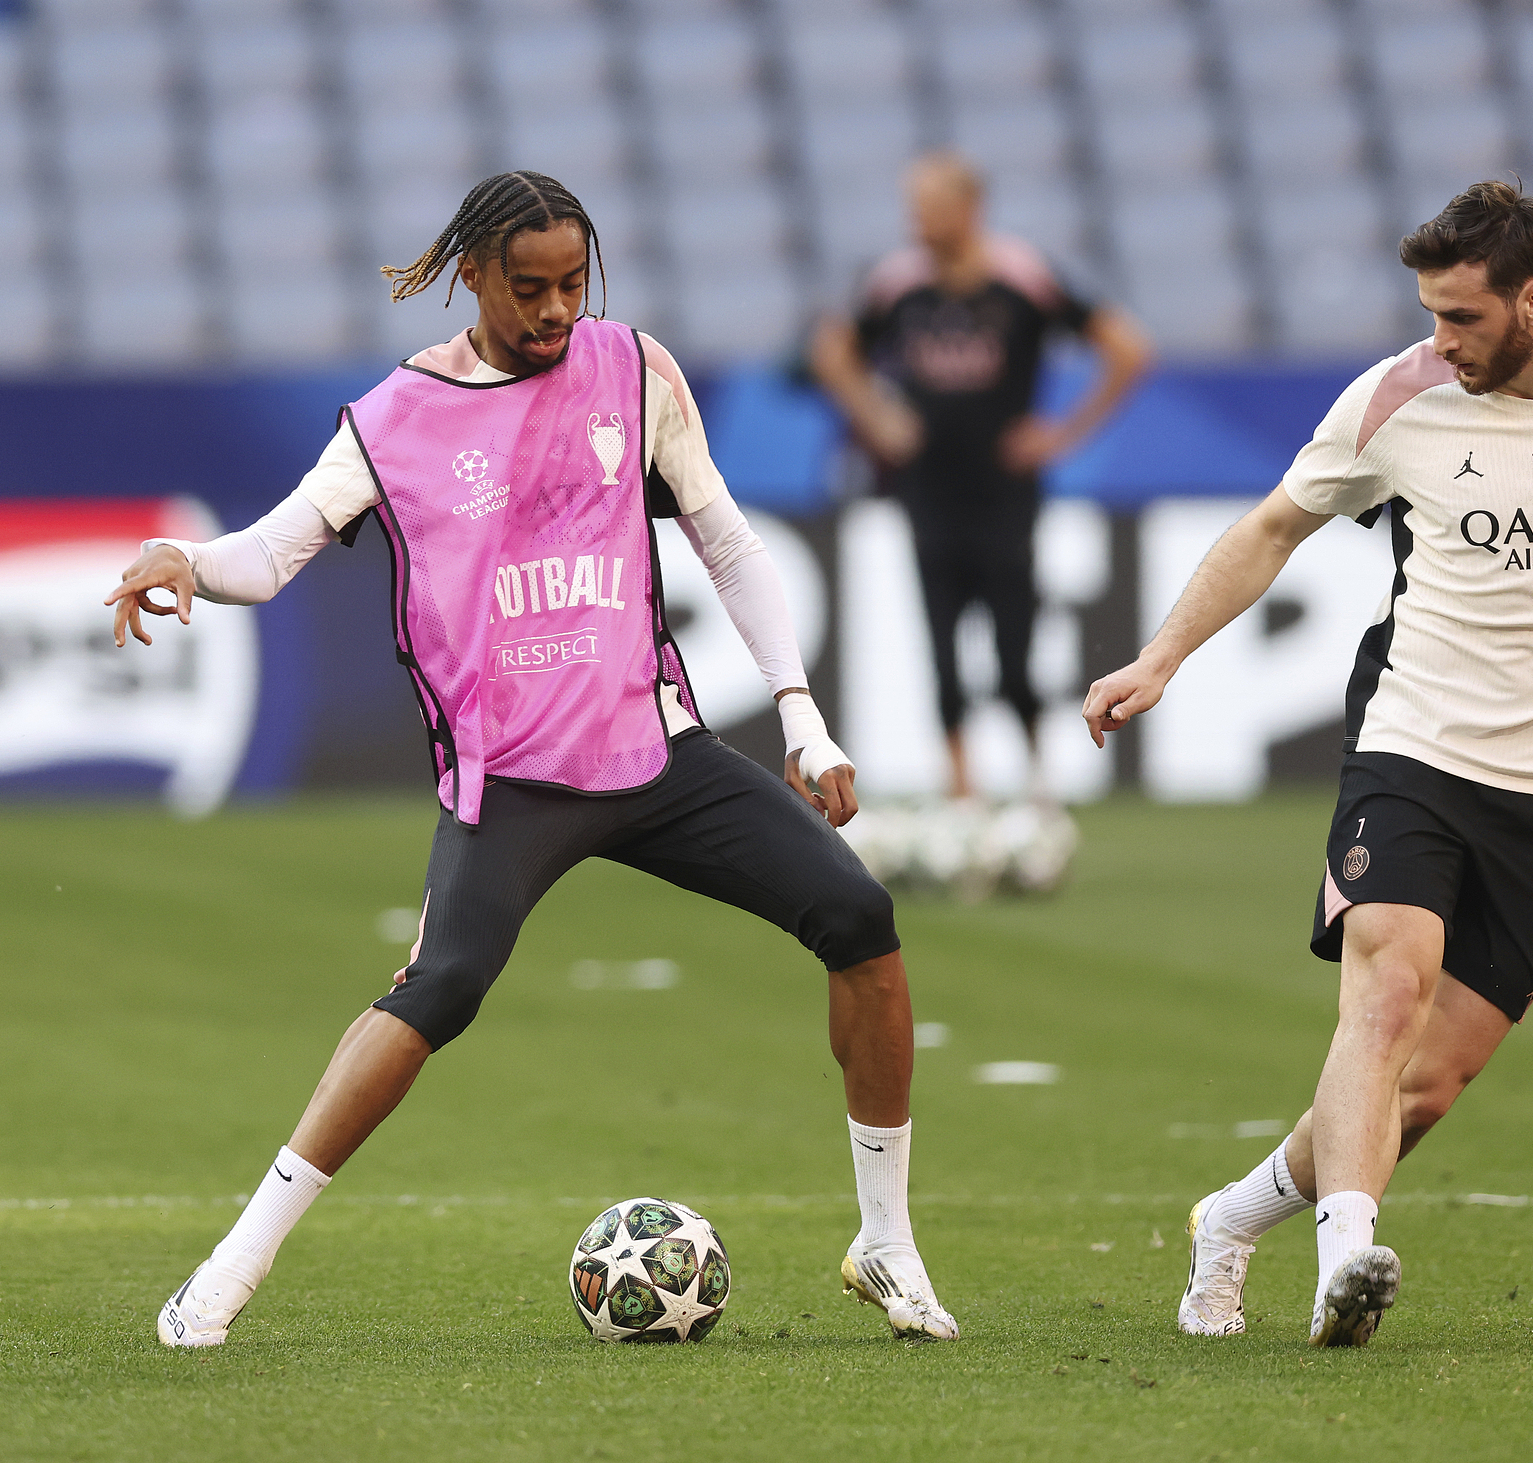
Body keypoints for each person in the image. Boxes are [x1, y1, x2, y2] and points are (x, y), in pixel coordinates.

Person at [107, 171, 959, 1347]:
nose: (557, 309)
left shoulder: (633, 369)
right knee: (438, 988)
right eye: (529, 288)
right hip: (508, 778)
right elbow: (268, 554)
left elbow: (723, 538)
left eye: (572, 283)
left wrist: (801, 713)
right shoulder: (393, 422)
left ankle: (885, 1240)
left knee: (859, 916)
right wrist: (181, 560)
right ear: (471, 275)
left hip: (652, 748)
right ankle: (231, 1264)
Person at [1082, 181, 1533, 1347]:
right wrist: (1158, 658)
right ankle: (1344, 1261)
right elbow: (1273, 523)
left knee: (1423, 1086)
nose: (1440, 341)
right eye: (1428, 315)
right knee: (1384, 992)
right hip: (1411, 743)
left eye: (1463, 318)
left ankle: (1229, 1218)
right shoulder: (1395, 402)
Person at [811, 151, 1151, 801]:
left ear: (969, 209)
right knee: (939, 637)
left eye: (930, 208)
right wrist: (877, 415)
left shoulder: (1022, 276)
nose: (918, 223)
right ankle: (960, 785)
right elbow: (832, 351)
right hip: (927, 488)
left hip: (1004, 491)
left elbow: (1128, 347)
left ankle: (1034, 778)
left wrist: (1061, 433)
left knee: (1013, 635)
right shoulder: (897, 282)